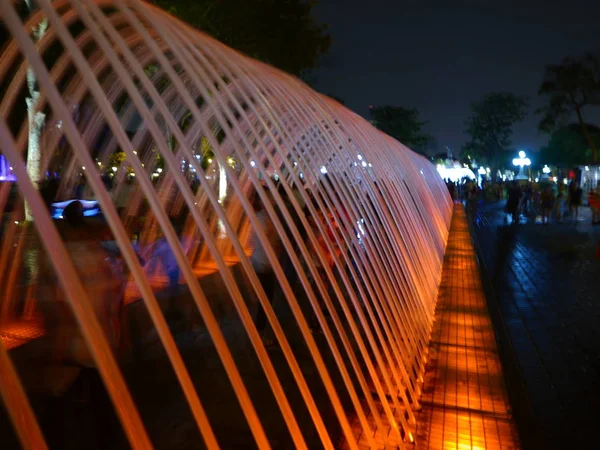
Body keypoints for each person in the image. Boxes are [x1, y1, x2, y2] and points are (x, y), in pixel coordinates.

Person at [37, 201, 128, 449]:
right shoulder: (103, 258)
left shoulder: (59, 260)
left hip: (73, 349)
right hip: (103, 344)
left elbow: (60, 308)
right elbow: (116, 301)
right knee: (102, 406)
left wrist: (55, 350)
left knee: (56, 407)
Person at [250, 191, 282, 346]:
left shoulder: (260, 217)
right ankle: (259, 336)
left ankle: (259, 333)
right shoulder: (263, 219)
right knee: (265, 301)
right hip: (263, 264)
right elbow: (267, 242)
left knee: (264, 300)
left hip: (260, 262)